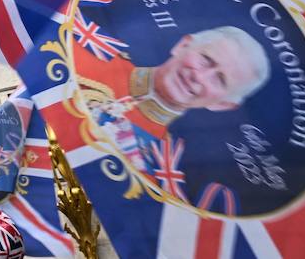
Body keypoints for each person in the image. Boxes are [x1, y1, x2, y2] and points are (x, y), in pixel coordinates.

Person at [73, 25, 270, 184]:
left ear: (223, 105)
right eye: (206, 60)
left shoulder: (153, 168)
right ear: (183, 45)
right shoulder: (83, 50)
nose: (199, 76)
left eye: (219, 80)